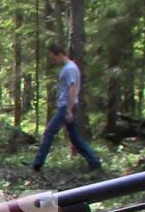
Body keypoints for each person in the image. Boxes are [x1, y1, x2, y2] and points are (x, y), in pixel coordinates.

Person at [30, 43, 103, 174]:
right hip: (67, 106)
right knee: (75, 138)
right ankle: (94, 163)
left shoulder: (69, 69)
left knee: (49, 132)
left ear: (60, 54)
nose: (54, 61)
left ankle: (37, 164)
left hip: (67, 107)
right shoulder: (69, 67)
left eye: (54, 58)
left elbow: (72, 88)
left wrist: (68, 110)